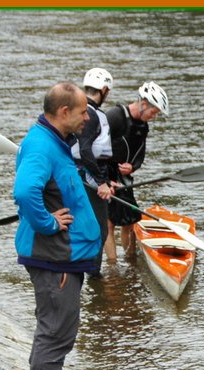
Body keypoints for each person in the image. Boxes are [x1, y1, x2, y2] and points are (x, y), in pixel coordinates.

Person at [13, 82, 103, 370]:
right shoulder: (40, 145)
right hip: (55, 257)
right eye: (83, 111)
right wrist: (48, 224)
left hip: (65, 256)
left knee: (58, 328)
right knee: (56, 330)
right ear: (64, 112)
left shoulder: (54, 143)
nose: (87, 117)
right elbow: (24, 191)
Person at [104, 80, 168, 259]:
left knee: (130, 221)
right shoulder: (115, 116)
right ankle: (112, 265)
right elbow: (96, 146)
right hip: (106, 175)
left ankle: (130, 260)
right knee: (108, 223)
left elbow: (140, 153)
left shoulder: (142, 126)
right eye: (153, 112)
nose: (154, 117)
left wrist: (133, 166)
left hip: (124, 178)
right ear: (144, 103)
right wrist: (104, 178)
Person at [71, 67, 115, 268]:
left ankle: (89, 272)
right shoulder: (90, 114)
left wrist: (107, 179)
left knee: (94, 227)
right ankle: (92, 274)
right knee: (98, 229)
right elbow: (85, 150)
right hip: (87, 178)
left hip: (89, 176)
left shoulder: (87, 112)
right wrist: (100, 182)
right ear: (104, 90)